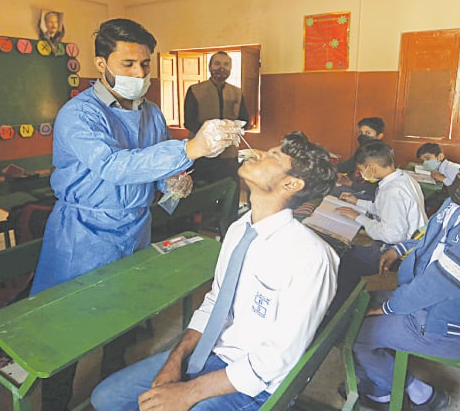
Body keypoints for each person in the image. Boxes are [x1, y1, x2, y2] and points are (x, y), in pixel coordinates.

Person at [32, 18, 242, 410]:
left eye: (145, 64)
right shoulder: (79, 115)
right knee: (67, 325)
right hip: (83, 232)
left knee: (121, 315)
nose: (140, 73)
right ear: (101, 64)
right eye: (128, 64)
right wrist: (191, 148)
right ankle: (56, 401)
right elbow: (113, 165)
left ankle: (110, 392)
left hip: (135, 225)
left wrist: (173, 184)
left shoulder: (152, 113)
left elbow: (156, 167)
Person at [90, 131, 339, 411]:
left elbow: (275, 360)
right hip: (211, 351)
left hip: (253, 382)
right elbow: (215, 302)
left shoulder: (311, 257)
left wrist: (187, 393)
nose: (256, 153)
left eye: (272, 156)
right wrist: (176, 358)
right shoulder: (238, 229)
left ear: (291, 183)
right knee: (106, 397)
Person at [347, 141, 460, 410]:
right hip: (433, 302)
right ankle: (391, 382)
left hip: (451, 323)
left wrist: (389, 307)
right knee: (357, 306)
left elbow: (443, 282)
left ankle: (403, 393)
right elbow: (433, 241)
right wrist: (402, 248)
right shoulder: (457, 204)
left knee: (356, 333)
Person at [330, 140, 427, 309]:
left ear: (372, 168)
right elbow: (382, 208)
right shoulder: (403, 178)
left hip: (400, 251)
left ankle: (340, 309)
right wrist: (357, 202)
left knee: (345, 261)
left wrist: (358, 217)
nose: (362, 173)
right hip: (413, 241)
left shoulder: (392, 191)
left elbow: (392, 235)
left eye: (362, 169)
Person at [184, 51, 250, 218]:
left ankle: (228, 225)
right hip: (202, 153)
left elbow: (245, 119)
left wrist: (235, 128)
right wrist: (212, 134)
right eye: (217, 64)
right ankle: (201, 225)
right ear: (209, 67)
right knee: (203, 193)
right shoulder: (195, 90)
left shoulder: (236, 92)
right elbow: (188, 121)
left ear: (231, 69)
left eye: (226, 64)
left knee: (231, 190)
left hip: (229, 154)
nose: (221, 68)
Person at [336, 117, 386, 201]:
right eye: (361, 132)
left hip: (368, 194)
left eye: (368, 133)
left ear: (379, 136)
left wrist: (349, 183)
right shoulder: (362, 150)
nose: (363, 136)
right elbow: (346, 166)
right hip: (355, 187)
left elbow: (375, 189)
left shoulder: (381, 155)